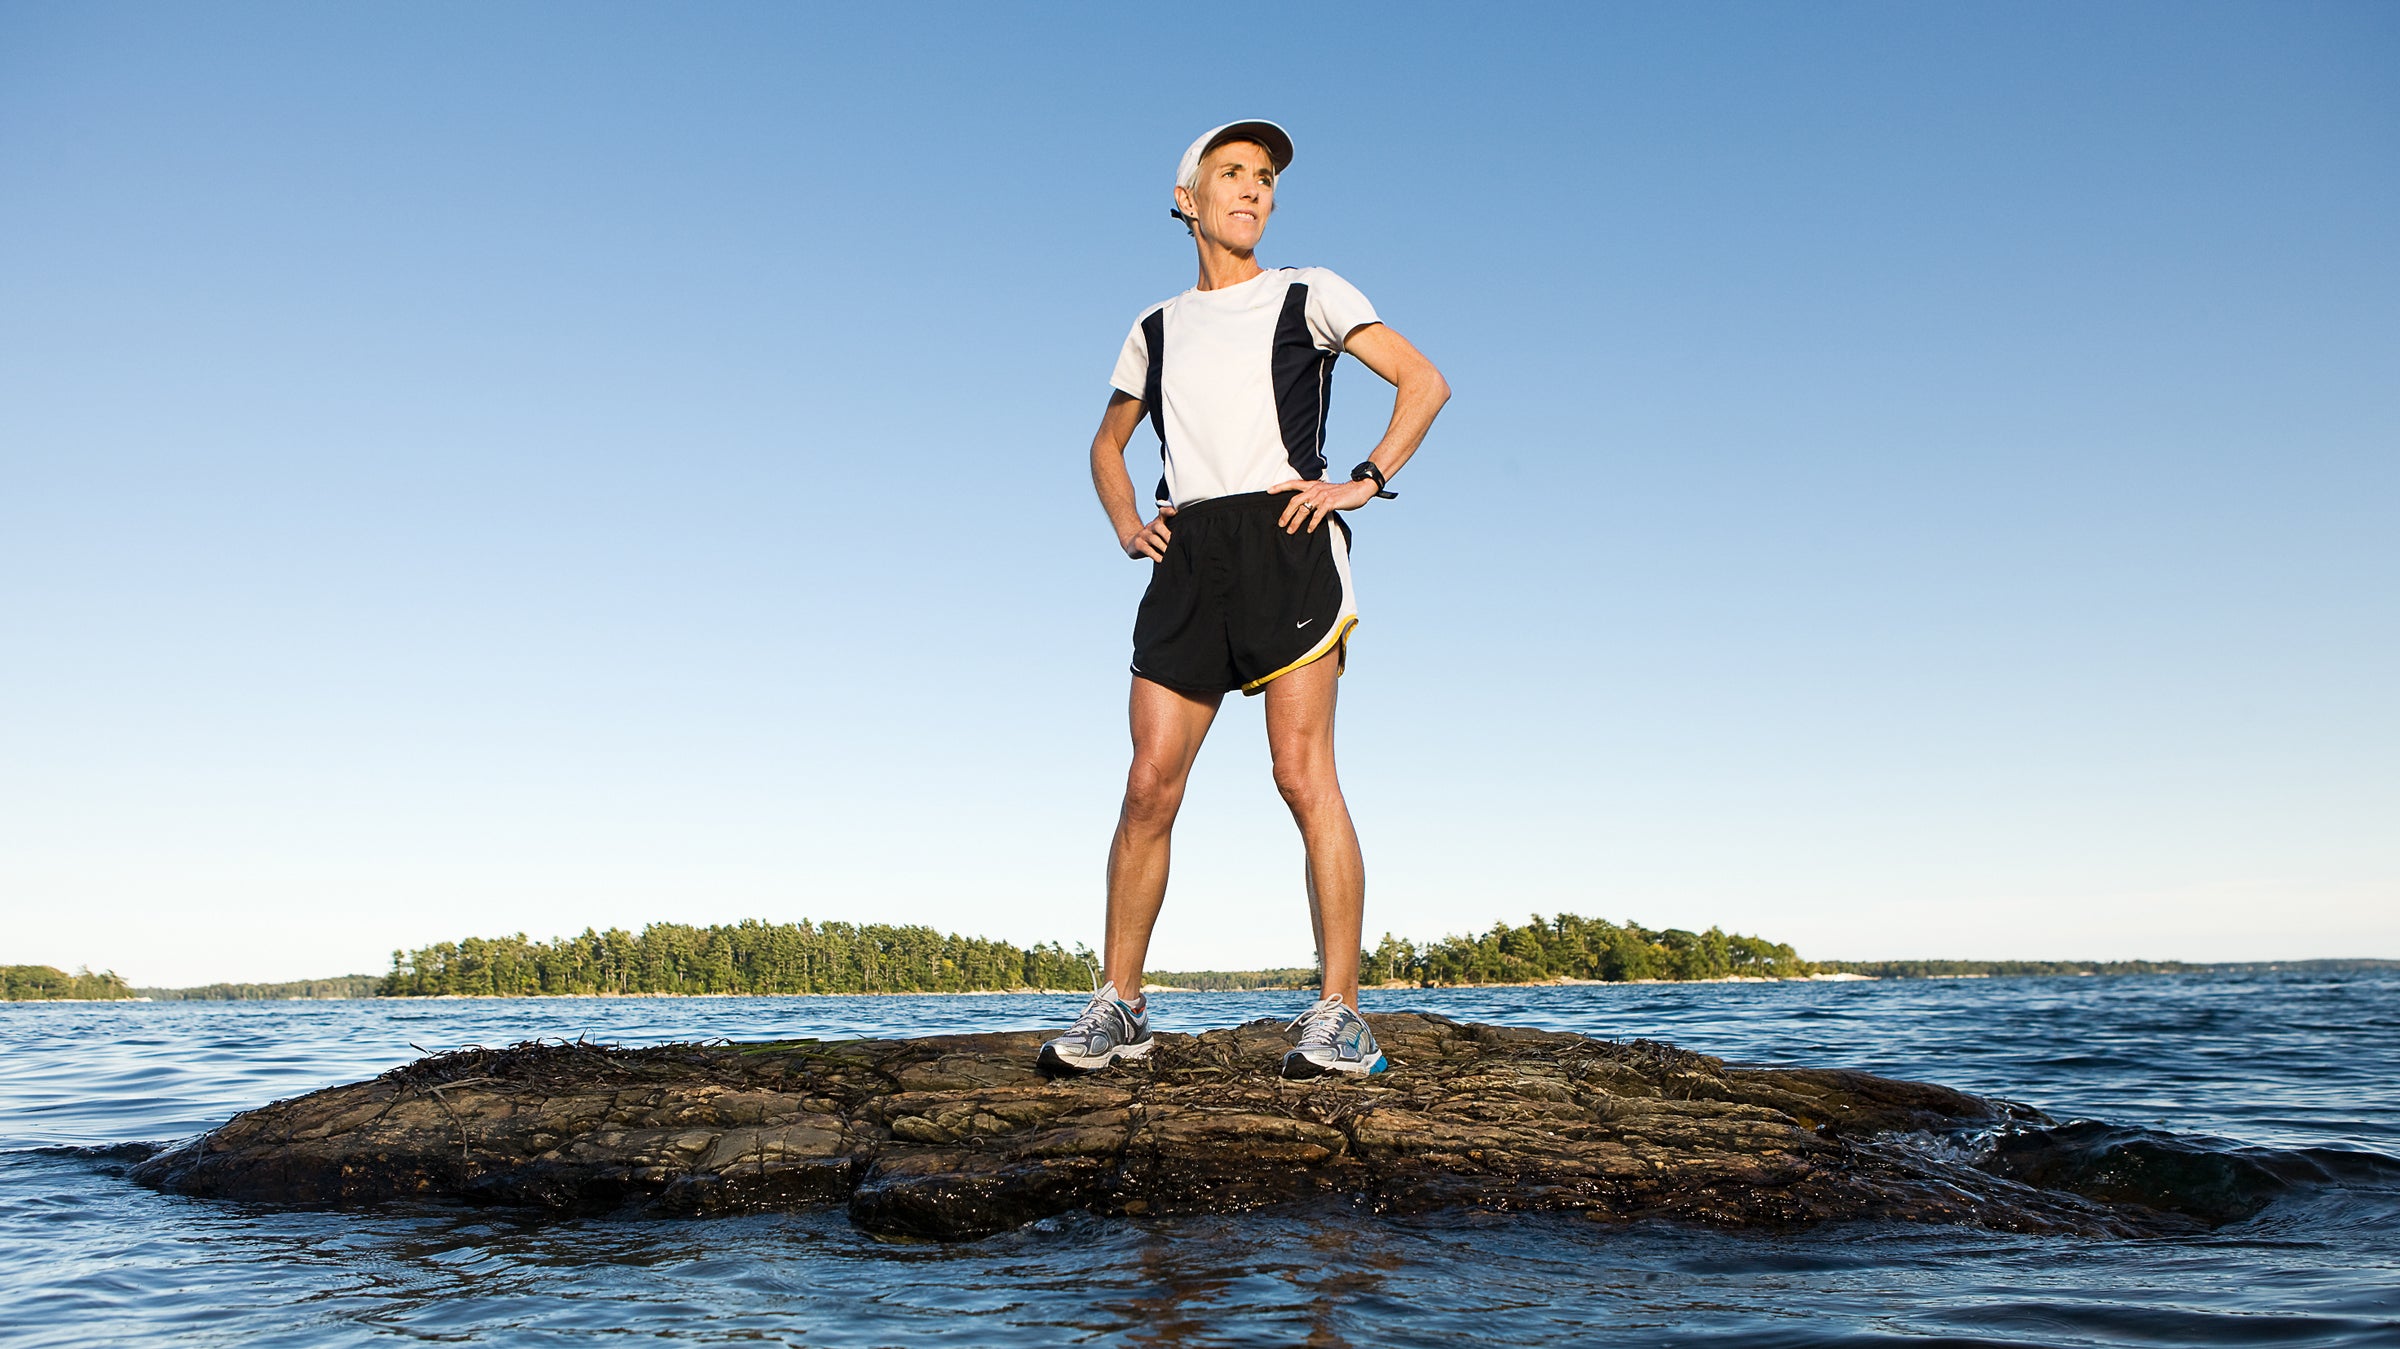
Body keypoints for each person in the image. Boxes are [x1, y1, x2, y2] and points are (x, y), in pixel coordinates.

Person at [1038, 120, 1450, 1080]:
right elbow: (1106, 445)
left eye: (1264, 178)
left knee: (1303, 776)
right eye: (1231, 174)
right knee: (1148, 783)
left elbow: (1423, 382)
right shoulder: (1154, 326)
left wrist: (1362, 478)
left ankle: (1340, 1013)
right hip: (1189, 559)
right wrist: (1129, 524)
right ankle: (1123, 1005)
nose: (1253, 190)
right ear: (1187, 200)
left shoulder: (1310, 294)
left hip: (1288, 542)